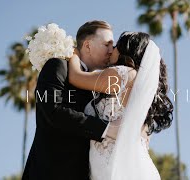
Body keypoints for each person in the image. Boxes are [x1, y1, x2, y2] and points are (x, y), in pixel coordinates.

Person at [22, 20, 120, 180]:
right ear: (87, 46)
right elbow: (54, 111)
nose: (111, 50)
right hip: (49, 172)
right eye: (107, 44)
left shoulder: (98, 84)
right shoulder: (57, 66)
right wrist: (106, 129)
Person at [69, 31, 173, 180]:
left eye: (117, 45)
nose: (112, 49)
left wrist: (73, 52)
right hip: (130, 165)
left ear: (127, 50)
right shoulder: (141, 87)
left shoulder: (122, 73)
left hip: (113, 165)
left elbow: (75, 77)